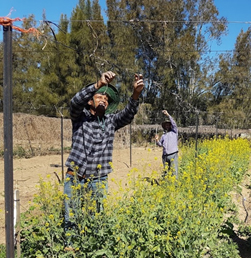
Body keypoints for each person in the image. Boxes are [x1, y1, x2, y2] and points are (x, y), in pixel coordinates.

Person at [63, 71, 144, 235]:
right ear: (90, 101)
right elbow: (75, 102)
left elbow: (128, 115)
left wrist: (135, 94)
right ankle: (70, 252)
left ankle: (93, 249)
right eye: (100, 97)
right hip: (75, 176)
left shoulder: (111, 121)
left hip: (98, 179)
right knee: (71, 217)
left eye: (107, 99)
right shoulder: (79, 117)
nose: (104, 100)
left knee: (96, 218)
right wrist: (98, 85)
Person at [154, 110, 179, 178]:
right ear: (164, 126)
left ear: (170, 125)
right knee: (166, 172)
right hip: (165, 156)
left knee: (174, 172)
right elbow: (160, 145)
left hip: (173, 155)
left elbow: (174, 123)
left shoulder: (174, 132)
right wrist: (157, 140)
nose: (167, 126)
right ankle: (167, 184)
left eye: (168, 124)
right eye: (166, 125)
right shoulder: (163, 136)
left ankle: (175, 185)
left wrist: (168, 115)